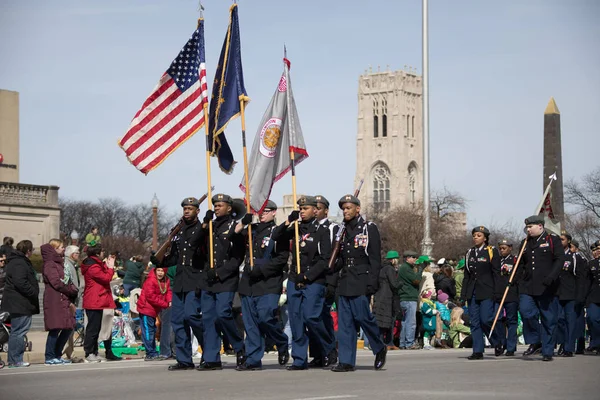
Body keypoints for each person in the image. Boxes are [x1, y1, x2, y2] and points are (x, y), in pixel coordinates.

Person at [272, 195, 334, 371]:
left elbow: (325, 259)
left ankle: (329, 347)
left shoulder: (321, 231)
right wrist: (288, 221)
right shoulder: (296, 228)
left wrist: (307, 276)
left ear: (315, 210)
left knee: (311, 317)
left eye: (305, 209)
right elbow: (276, 236)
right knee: (296, 319)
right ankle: (299, 359)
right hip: (294, 279)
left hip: (313, 280)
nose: (302, 212)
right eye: (300, 209)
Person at [330, 194, 386, 372]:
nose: (345, 211)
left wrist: (372, 282)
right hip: (345, 279)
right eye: (343, 209)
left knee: (363, 317)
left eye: (348, 208)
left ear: (357, 209)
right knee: (345, 323)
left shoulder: (368, 228)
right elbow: (340, 258)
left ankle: (379, 347)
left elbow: (375, 259)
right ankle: (346, 361)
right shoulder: (342, 230)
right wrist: (332, 264)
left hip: (362, 279)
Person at [235, 200, 290, 370]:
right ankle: (253, 359)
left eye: (266, 211)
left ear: (274, 212)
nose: (262, 214)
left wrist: (262, 269)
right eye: (260, 211)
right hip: (249, 283)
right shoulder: (251, 230)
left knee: (266, 317)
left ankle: (281, 342)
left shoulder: (278, 232)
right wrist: (244, 221)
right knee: (250, 324)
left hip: (268, 282)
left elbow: (281, 259)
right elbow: (233, 234)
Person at [155, 197, 206, 371]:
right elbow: (176, 257)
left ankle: (208, 350)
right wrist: (160, 260)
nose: (186, 211)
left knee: (192, 316)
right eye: (185, 208)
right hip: (180, 281)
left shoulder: (202, 229)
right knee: (177, 321)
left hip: (195, 279)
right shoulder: (178, 231)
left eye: (190, 208)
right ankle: (184, 359)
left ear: (197, 211)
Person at [199, 194, 246, 371]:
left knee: (223, 314)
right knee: (208, 318)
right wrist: (204, 225)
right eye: (215, 205)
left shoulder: (235, 227)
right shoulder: (209, 226)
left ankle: (240, 347)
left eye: (220, 205)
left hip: (225, 278)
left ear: (229, 208)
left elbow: (237, 257)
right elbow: (196, 245)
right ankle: (211, 357)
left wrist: (220, 272)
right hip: (208, 279)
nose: (217, 208)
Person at [517, 215, 564, 361]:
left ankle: (547, 350)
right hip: (528, 286)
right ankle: (536, 340)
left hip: (546, 286)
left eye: (530, 227)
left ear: (540, 226)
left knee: (548, 319)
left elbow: (559, 259)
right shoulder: (524, 243)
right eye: (527, 227)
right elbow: (521, 264)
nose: (528, 230)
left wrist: (552, 276)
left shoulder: (552, 240)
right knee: (526, 312)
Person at [307, 195, 339, 367]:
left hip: (326, 279)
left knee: (323, 316)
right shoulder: (308, 228)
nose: (316, 210)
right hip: (312, 278)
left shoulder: (333, 228)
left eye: (318, 208)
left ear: (325, 210)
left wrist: (331, 282)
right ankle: (317, 354)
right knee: (311, 317)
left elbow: (334, 257)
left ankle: (329, 351)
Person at [461, 226, 501, 360]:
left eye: (478, 235)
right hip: (472, 291)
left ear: (485, 238)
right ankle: (477, 350)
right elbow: (466, 275)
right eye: (474, 235)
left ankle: (497, 341)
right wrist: (463, 294)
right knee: (474, 322)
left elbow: (496, 273)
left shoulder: (491, 251)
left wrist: (497, 292)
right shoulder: (469, 253)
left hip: (487, 291)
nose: (475, 238)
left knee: (486, 320)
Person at [1, 240, 39, 368]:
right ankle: (15, 360)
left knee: (17, 331)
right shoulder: (19, 262)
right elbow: (20, 282)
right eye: (32, 250)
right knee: (19, 331)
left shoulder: (16, 261)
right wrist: (33, 292)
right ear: (28, 251)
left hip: (19, 302)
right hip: (20, 302)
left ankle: (15, 359)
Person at [41, 239, 79, 365]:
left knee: (68, 327)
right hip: (55, 299)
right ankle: (49, 356)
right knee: (55, 328)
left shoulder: (60, 263)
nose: (64, 249)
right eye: (61, 247)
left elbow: (67, 280)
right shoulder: (50, 264)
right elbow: (56, 282)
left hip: (64, 299)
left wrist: (72, 289)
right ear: (54, 248)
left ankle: (57, 354)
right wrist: (70, 290)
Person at [81, 244, 116, 363]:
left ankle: (94, 352)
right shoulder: (92, 266)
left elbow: (104, 275)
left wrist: (107, 265)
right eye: (102, 252)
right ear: (97, 253)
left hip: (98, 299)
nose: (103, 254)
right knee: (92, 328)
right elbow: (106, 278)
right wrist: (111, 268)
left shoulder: (96, 264)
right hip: (94, 300)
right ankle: (89, 352)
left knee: (96, 328)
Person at [555, 231, 586, 357]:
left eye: (562, 239)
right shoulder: (555, 256)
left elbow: (580, 278)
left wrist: (580, 296)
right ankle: (562, 343)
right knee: (558, 320)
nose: (560, 242)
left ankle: (568, 348)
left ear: (568, 241)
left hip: (570, 295)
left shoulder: (574, 257)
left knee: (570, 321)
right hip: (557, 294)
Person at [137, 266, 172, 360]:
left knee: (153, 329)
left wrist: (169, 300)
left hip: (155, 309)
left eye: (162, 271)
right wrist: (165, 304)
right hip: (146, 308)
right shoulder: (150, 280)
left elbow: (168, 291)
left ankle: (153, 351)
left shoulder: (166, 280)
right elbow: (151, 297)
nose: (160, 273)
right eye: (158, 271)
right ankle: (150, 353)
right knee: (148, 331)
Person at [493, 239, 520, 357]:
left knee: (511, 321)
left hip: (511, 294)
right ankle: (501, 343)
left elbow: (519, 275)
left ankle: (511, 347)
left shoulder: (515, 260)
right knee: (498, 320)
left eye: (504, 248)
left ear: (510, 248)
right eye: (500, 248)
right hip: (498, 294)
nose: (502, 250)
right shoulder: (496, 260)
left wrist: (513, 281)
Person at [374, 250, 401, 349]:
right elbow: (394, 284)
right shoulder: (390, 269)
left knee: (381, 321)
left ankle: (382, 342)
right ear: (393, 259)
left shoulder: (382, 268)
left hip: (380, 296)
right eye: (397, 259)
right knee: (387, 321)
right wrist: (401, 283)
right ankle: (388, 343)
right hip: (387, 297)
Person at [397, 250, 422, 350]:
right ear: (407, 258)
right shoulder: (406, 268)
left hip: (405, 297)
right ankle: (409, 343)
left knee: (405, 322)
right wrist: (420, 270)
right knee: (411, 322)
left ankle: (403, 343)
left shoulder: (406, 268)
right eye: (413, 257)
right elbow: (416, 280)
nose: (415, 259)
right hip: (409, 297)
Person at [582, 240, 600, 354]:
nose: (597, 252)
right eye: (594, 250)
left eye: (598, 249)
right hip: (594, 296)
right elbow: (586, 282)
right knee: (593, 319)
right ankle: (597, 343)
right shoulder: (591, 264)